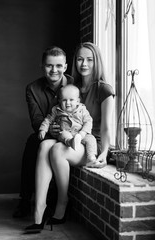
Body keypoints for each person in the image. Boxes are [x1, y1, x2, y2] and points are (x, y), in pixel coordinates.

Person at [25, 42, 115, 233]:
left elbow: (107, 128)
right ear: (74, 62)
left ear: (96, 62)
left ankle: (62, 202)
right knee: (45, 145)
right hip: (73, 141)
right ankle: (39, 210)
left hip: (91, 142)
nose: (84, 64)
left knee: (57, 148)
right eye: (80, 59)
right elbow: (57, 115)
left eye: (89, 60)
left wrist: (105, 152)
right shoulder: (73, 87)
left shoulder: (104, 89)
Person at [13, 46, 73, 218]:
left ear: (66, 66)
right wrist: (52, 130)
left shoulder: (74, 84)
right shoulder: (32, 88)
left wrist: (66, 131)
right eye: (49, 65)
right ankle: (25, 201)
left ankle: (55, 200)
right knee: (33, 142)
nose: (54, 70)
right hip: (45, 132)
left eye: (59, 66)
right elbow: (36, 120)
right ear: (42, 66)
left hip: (71, 134)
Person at [39, 84, 97, 164]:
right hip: (66, 133)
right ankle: (70, 142)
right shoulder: (57, 110)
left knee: (91, 139)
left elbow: (88, 121)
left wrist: (82, 133)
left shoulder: (82, 110)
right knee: (63, 134)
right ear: (59, 100)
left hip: (80, 134)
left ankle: (91, 157)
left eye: (71, 100)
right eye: (64, 100)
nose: (68, 103)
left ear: (78, 101)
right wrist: (43, 129)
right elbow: (48, 120)